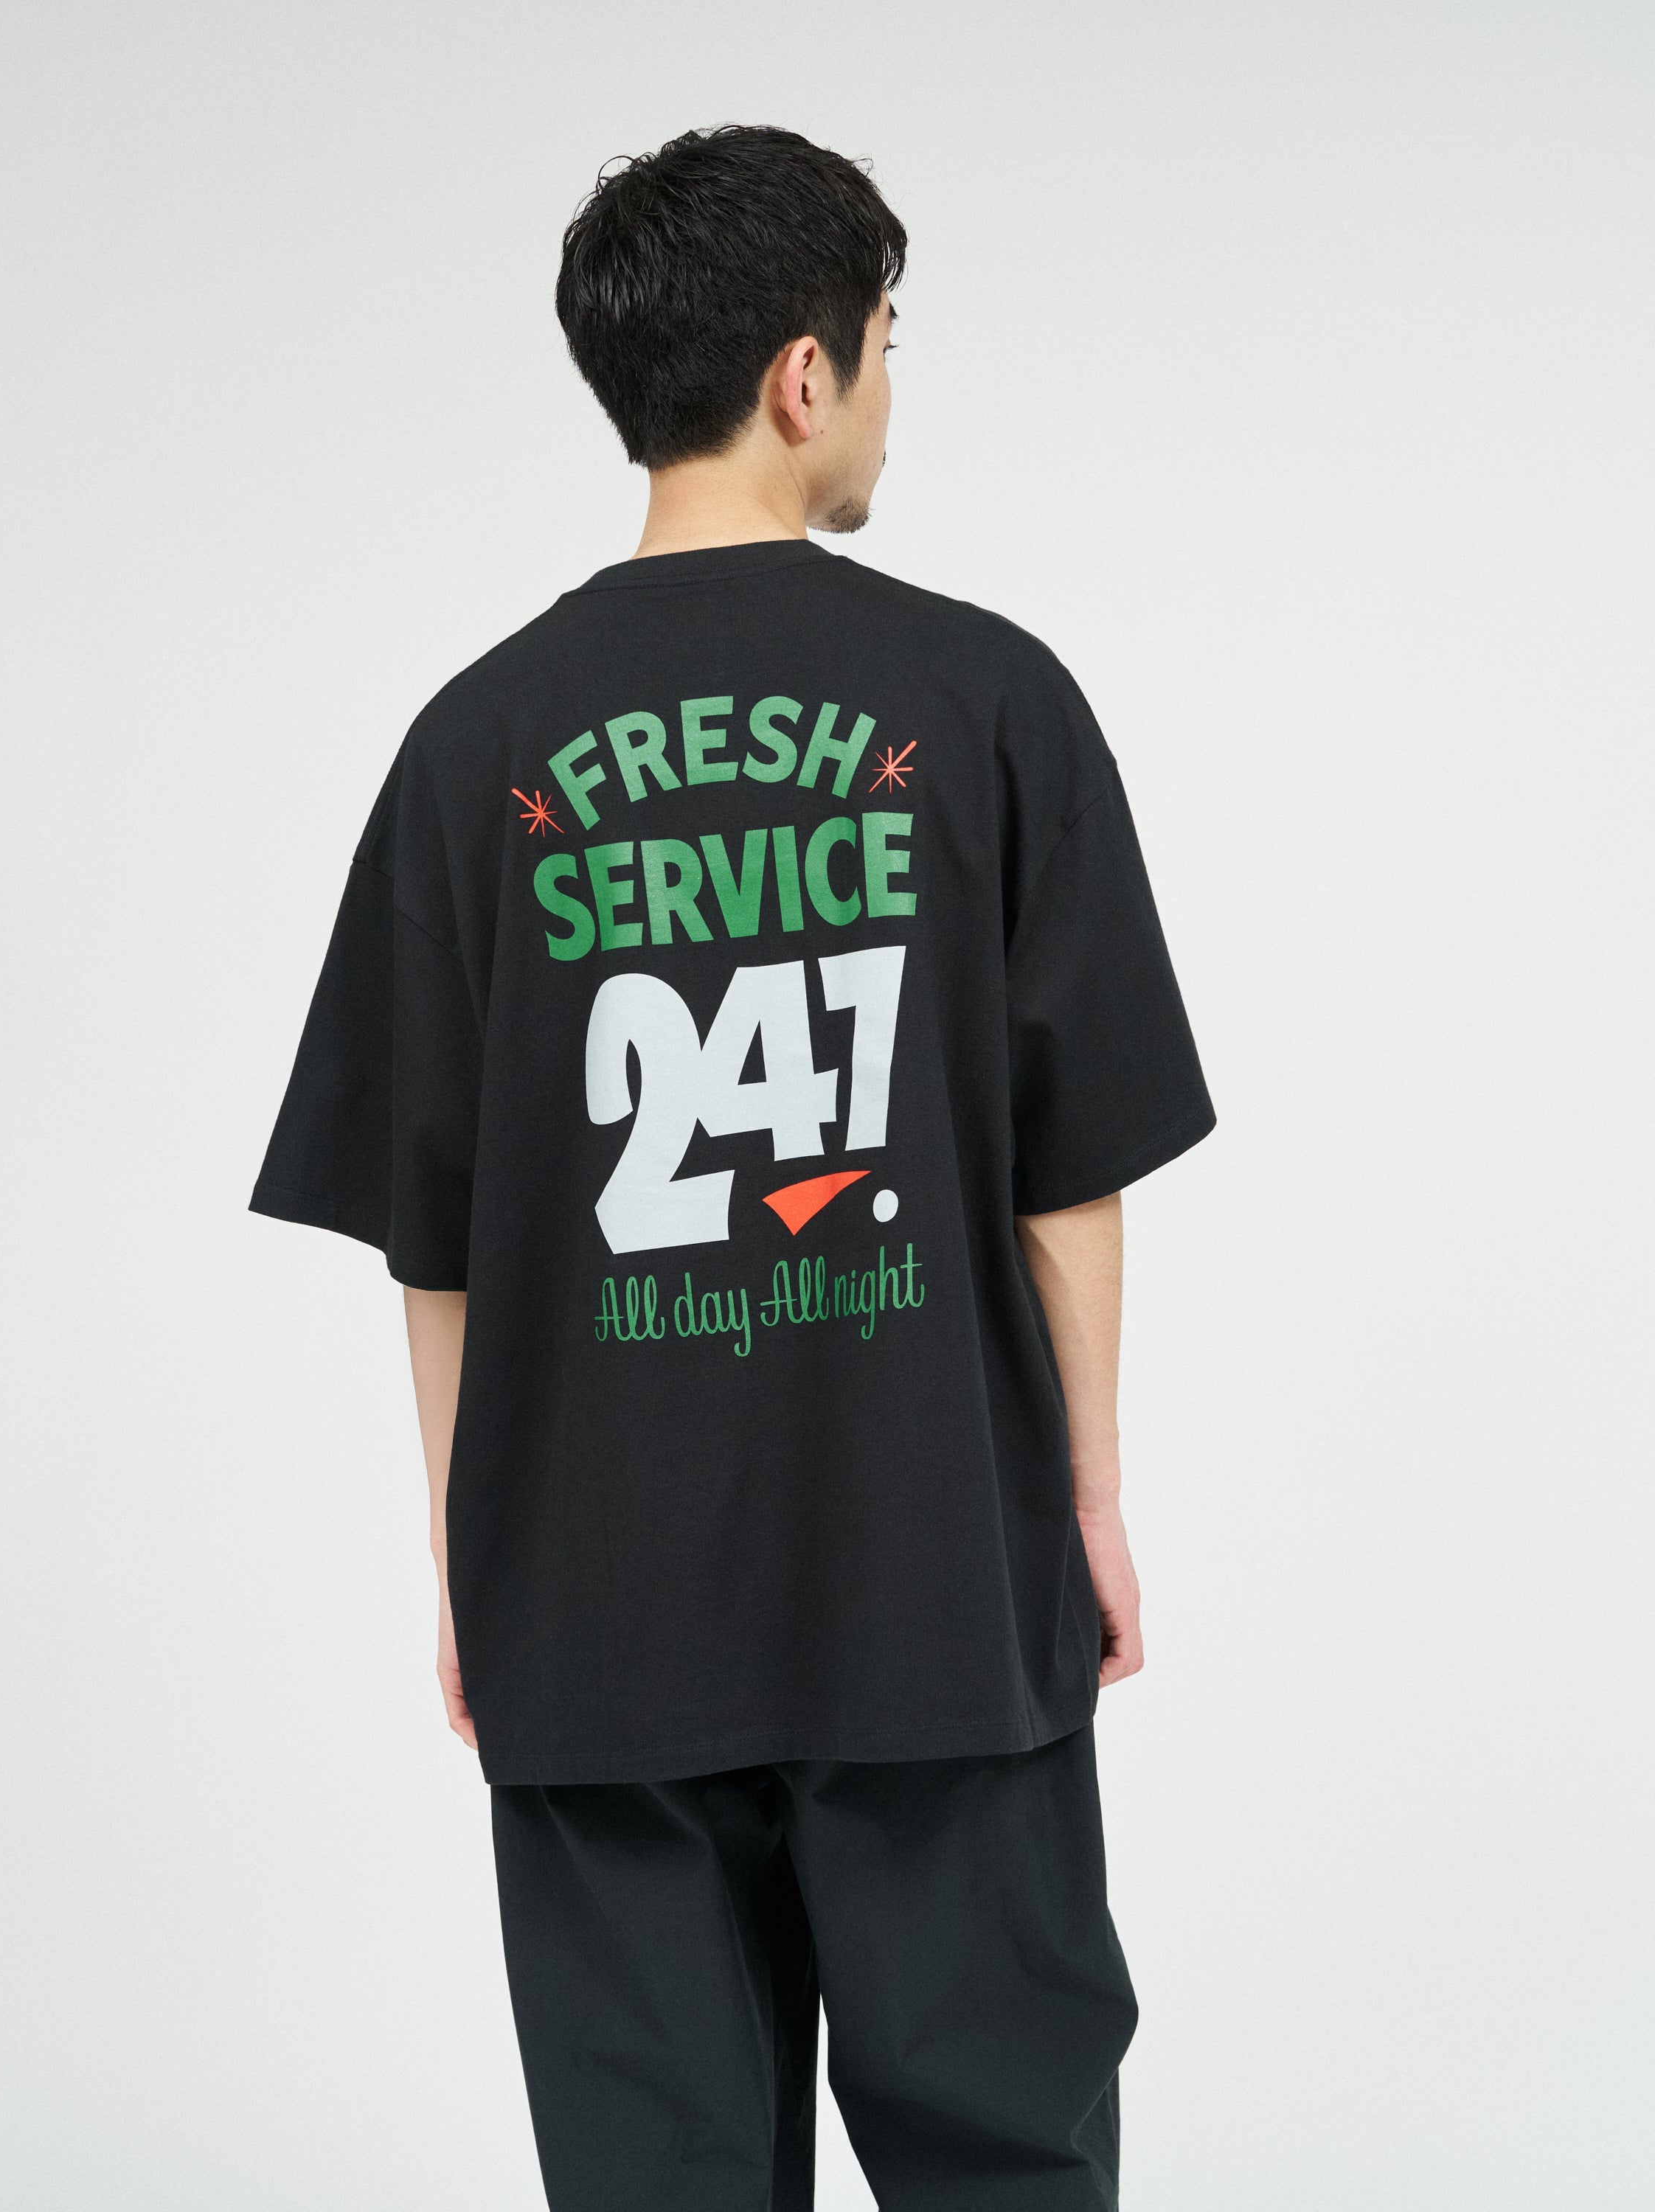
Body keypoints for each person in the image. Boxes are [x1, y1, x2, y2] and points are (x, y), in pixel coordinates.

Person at [251, 124, 1214, 2212]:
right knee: (1006, 2161)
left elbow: (438, 1243)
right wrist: (1088, 1499)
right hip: (937, 1589)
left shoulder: (474, 750)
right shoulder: (990, 702)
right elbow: (1068, 1173)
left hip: (599, 1616)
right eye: (887, 344)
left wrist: (471, 1557)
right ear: (804, 373)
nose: (886, 393)